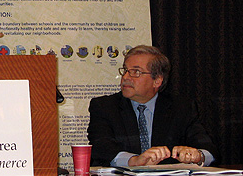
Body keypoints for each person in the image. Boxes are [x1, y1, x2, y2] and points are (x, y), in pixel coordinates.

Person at [87, 45, 218, 167]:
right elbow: (101, 147)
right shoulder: (104, 106)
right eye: (126, 70)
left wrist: (198, 156)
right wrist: (134, 160)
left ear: (157, 81)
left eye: (136, 72)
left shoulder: (181, 107)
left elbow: (208, 148)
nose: (126, 77)